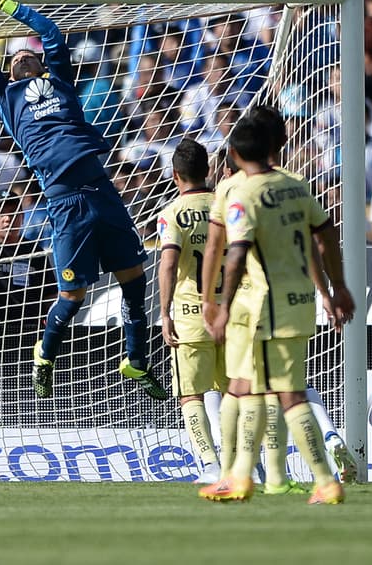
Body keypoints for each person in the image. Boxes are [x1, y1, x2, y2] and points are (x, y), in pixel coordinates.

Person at [0, 0, 165, 401]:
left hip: (101, 187)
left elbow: (52, 34)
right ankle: (45, 353)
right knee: (72, 294)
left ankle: (135, 359)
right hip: (66, 199)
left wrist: (7, 3)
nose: (20, 54)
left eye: (25, 52)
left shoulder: (61, 84)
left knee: (134, 277)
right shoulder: (4, 97)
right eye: (14, 54)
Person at [199, 117, 355, 505]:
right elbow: (326, 233)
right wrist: (338, 289)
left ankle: (323, 479)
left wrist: (221, 305)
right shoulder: (296, 187)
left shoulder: (242, 195)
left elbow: (233, 256)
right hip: (300, 303)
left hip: (264, 307)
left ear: (233, 155)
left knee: (279, 394)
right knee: (262, 388)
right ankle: (242, 477)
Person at [156, 138, 225, 485]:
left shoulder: (171, 214)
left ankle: (210, 464)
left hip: (190, 315)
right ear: (208, 169)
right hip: (229, 312)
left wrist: (165, 313)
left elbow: (168, 264)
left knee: (191, 394)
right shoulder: (224, 205)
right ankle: (242, 460)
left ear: (174, 175)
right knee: (235, 390)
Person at [0, 187, 53, 327]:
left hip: (30, 327)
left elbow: (49, 293)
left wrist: (53, 321)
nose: (8, 219)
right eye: (1, 214)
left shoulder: (33, 249)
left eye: (13, 213)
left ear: (22, 217)